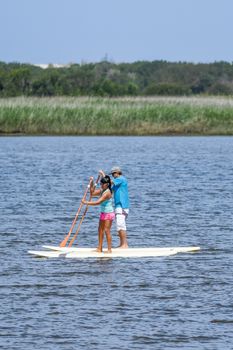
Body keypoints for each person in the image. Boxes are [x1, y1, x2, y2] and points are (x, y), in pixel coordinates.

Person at [82, 175, 114, 253]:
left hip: (109, 213)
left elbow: (98, 202)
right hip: (103, 213)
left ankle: (109, 250)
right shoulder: (102, 190)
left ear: (107, 184)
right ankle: (100, 248)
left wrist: (86, 202)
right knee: (100, 230)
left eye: (102, 184)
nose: (101, 185)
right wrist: (92, 182)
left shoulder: (107, 193)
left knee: (107, 230)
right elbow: (92, 193)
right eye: (100, 184)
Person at [99, 166, 129, 248]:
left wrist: (103, 174)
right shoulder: (116, 183)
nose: (112, 175)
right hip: (118, 205)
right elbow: (107, 185)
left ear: (117, 172)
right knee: (119, 225)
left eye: (113, 174)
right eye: (112, 174)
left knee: (120, 224)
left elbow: (109, 181)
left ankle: (124, 245)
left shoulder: (121, 179)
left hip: (122, 205)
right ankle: (122, 244)